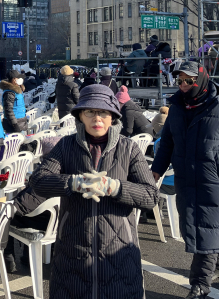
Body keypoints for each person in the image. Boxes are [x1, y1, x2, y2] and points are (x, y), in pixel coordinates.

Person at [30, 84, 158, 299]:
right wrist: (75, 183)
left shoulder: (129, 148)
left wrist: (114, 187)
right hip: (73, 248)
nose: (96, 118)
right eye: (90, 111)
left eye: (103, 112)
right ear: (80, 115)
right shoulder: (66, 146)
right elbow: (39, 181)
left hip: (120, 249)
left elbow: (150, 196)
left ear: (113, 116)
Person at [151, 61, 219, 299]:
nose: (184, 85)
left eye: (189, 80)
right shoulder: (177, 107)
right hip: (186, 181)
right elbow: (167, 141)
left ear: (201, 79)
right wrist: (156, 169)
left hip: (216, 183)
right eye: (180, 81)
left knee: (207, 232)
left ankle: (199, 285)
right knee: (201, 228)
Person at [2, 184, 52, 272]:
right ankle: (27, 256)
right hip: (52, 224)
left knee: (5, 217)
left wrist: (7, 204)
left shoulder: (43, 183)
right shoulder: (63, 181)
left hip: (39, 224)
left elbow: (24, 203)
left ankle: (8, 259)